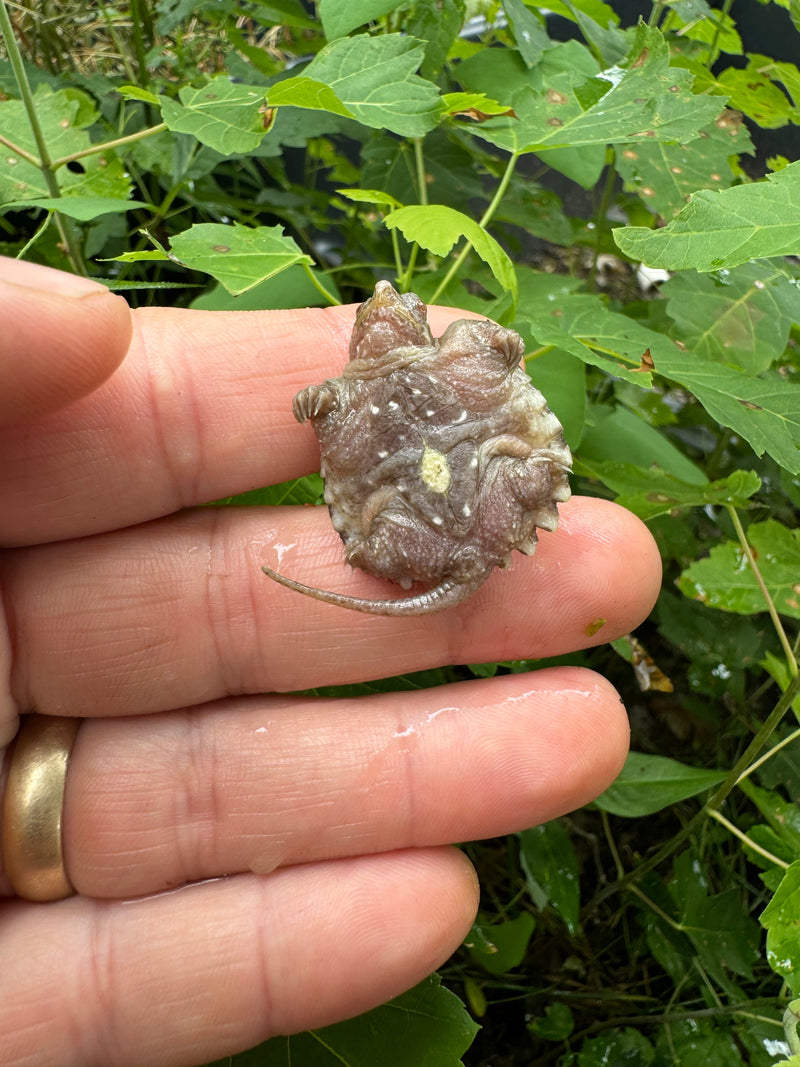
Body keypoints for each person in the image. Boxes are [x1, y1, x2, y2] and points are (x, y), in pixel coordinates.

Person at [0, 256, 661, 1067]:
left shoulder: (356, 387)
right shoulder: (421, 365)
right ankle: (451, 557)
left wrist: (335, 400)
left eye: (396, 304)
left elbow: (315, 402)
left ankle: (436, 561)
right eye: (390, 308)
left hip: (425, 508)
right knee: (487, 493)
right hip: (465, 496)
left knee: (428, 524)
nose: (387, 306)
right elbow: (502, 349)